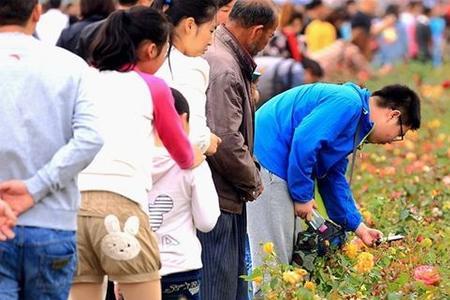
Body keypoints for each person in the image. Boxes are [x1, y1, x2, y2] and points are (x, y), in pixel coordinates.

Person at [69, 7, 201, 300]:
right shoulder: (153, 86)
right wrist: (201, 151)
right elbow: (182, 154)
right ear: (151, 49)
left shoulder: (83, 81)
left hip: (74, 208)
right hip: (121, 207)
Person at [247, 83, 421, 282]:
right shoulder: (348, 102)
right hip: (269, 160)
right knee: (271, 265)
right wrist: (302, 196)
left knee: (283, 260)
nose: (393, 141)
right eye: (400, 133)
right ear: (393, 115)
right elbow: (305, 141)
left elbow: (332, 176)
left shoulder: (356, 121)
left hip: (282, 166)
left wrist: (359, 228)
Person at [0, 1, 104, 299]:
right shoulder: (70, 65)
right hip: (53, 221)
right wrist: (36, 188)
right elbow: (91, 137)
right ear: (36, 12)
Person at [198, 1, 278, 299]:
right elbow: (226, 141)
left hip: (224, 194)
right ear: (257, 31)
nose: (267, 43)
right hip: (219, 197)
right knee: (217, 286)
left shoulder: (227, 57)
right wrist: (253, 181)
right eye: (269, 37)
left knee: (230, 284)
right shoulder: (225, 66)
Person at [148, 88, 220, 300]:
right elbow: (207, 222)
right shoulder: (193, 163)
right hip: (181, 266)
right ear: (183, 118)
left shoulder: (130, 158)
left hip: (137, 266)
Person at [154, 0, 222, 156]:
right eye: (211, 31)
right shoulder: (192, 67)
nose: (211, 41)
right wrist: (207, 140)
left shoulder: (151, 56)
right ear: (190, 25)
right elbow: (194, 137)